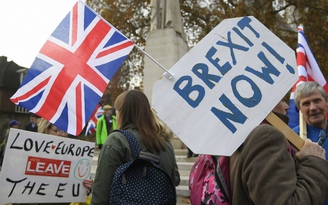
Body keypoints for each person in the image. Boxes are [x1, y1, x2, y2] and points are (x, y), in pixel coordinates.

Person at [229, 98, 328, 204]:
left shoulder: (232, 140)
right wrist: (314, 161)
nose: (287, 106)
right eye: (281, 100)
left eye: (317, 101)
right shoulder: (266, 135)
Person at [91, 90, 180, 205]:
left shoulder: (117, 140)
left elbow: (102, 192)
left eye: (116, 111)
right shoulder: (166, 143)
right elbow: (175, 180)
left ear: (122, 113)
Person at [37, 118, 93, 205]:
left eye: (65, 131)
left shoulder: (75, 155)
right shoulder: (32, 153)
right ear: (46, 129)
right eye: (58, 130)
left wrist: (87, 186)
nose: (63, 134)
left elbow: (80, 186)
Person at [293, 82, 328, 157]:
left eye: (317, 101)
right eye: (306, 104)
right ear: (299, 108)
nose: (313, 108)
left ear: (326, 102)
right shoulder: (292, 138)